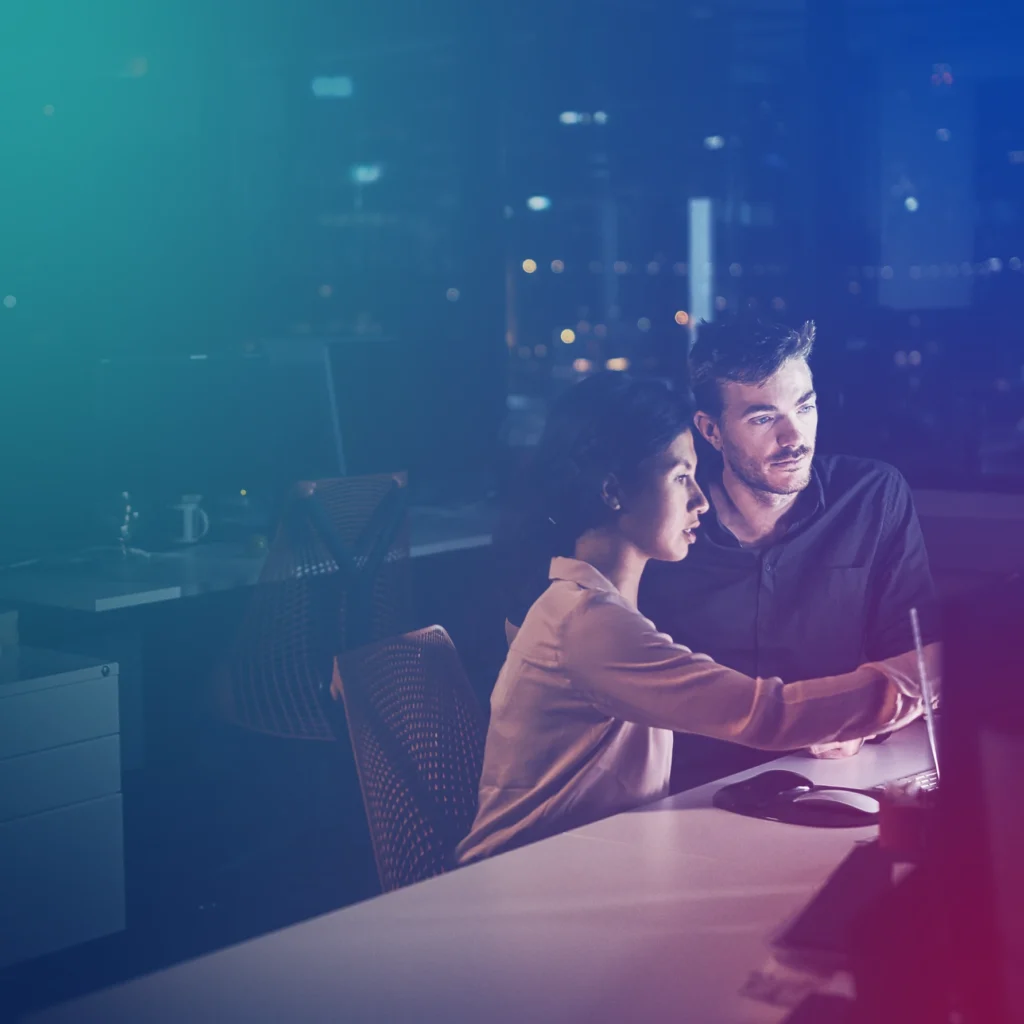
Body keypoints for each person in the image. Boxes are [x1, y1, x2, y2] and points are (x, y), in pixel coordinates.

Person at [457, 372, 937, 865]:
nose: (701, 501)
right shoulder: (590, 625)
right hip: (516, 885)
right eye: (681, 477)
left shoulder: (601, 609)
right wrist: (939, 668)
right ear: (613, 492)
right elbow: (771, 715)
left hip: (592, 867)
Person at [638, 317, 938, 783]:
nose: (794, 437)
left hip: (834, 776)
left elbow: (917, 652)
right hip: (687, 790)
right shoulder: (667, 527)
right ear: (711, 431)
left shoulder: (871, 497)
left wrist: (864, 723)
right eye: (763, 418)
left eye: (805, 407)